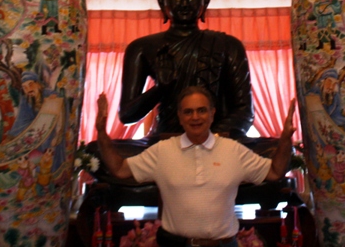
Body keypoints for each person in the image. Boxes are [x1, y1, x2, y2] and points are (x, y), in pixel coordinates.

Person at [97, 86, 296, 247]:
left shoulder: (234, 150)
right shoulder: (162, 151)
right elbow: (119, 169)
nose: (195, 117)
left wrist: (285, 140)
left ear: (212, 113)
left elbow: (275, 172)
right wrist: (101, 132)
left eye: (201, 110)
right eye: (188, 112)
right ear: (180, 117)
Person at [119, 0, 253, 140]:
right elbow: (126, 115)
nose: (183, 2)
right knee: (99, 151)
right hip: (165, 142)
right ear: (161, 2)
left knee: (274, 149)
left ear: (205, 2)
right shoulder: (141, 48)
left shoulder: (227, 46)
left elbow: (244, 112)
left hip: (216, 141)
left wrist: (207, 139)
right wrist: (161, 88)